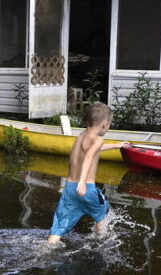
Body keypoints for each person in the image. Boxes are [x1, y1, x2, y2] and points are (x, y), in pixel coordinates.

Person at [47, 102, 127, 244]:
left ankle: (49, 246)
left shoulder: (81, 136)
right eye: (109, 125)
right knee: (103, 213)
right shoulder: (98, 139)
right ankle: (101, 239)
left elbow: (93, 149)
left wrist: (116, 145)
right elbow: (89, 156)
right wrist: (83, 182)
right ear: (105, 124)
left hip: (70, 189)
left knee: (60, 224)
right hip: (86, 188)